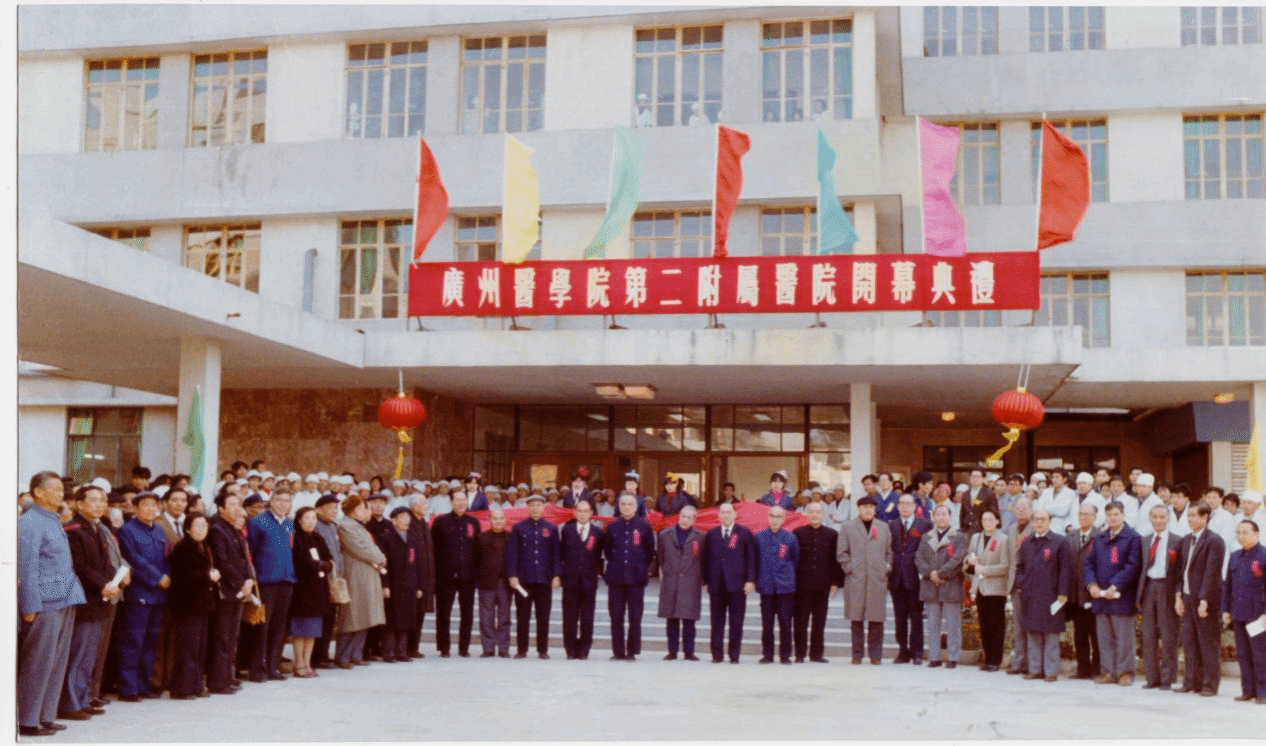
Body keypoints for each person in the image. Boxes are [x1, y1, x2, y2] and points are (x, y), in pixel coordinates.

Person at [59, 484, 120, 721]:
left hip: (99, 599)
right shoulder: (73, 530)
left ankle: (83, 699)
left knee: (89, 654)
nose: (100, 505)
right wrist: (103, 583)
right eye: (94, 500)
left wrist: (113, 579)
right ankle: (70, 703)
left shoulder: (98, 528)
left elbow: (106, 562)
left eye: (102, 500)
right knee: (78, 652)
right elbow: (80, 566)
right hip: (84, 599)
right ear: (79, 503)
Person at [115, 490, 171, 702]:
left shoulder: (159, 530)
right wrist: (157, 577)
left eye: (153, 505)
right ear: (136, 508)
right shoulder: (127, 530)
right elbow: (133, 559)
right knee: (133, 642)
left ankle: (143, 684)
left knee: (150, 642)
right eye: (145, 505)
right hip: (138, 593)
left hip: (159, 595)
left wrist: (167, 576)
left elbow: (167, 557)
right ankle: (128, 688)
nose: (149, 509)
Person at [1084, 501, 1142, 686]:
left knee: (1124, 638)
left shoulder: (1133, 538)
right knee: (1104, 637)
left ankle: (1125, 672)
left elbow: (1133, 566)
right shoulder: (1099, 538)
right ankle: (1108, 672)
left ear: (1123, 515)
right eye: (1109, 515)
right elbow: (1089, 564)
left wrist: (1115, 585)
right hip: (1100, 596)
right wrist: (1092, 585)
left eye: (1116, 514)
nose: (1112, 518)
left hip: (1121, 596)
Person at [1174, 502, 1226, 696]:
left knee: (1208, 643)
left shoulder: (1214, 541)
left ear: (1205, 517)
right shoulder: (1186, 540)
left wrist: (1204, 600)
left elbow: (1212, 573)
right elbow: (1180, 570)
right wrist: (1178, 595)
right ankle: (1191, 682)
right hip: (1188, 597)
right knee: (1189, 642)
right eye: (1188, 516)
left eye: (1194, 516)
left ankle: (1210, 684)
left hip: (1206, 599)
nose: (1190, 519)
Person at [1015, 509, 1071, 682]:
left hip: (1051, 594)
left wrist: (1063, 592)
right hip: (1030, 594)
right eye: (1036, 519)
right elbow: (1020, 566)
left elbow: (1065, 569)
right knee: (1033, 632)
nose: (1039, 522)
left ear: (1050, 521)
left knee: (1051, 633)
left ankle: (1050, 671)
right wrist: (1021, 583)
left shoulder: (1059, 541)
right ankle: (1035, 669)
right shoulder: (1027, 542)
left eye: (1043, 519)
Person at [167, 513, 219, 699]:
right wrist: (207, 576)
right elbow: (182, 576)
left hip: (202, 603)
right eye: (197, 526)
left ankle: (196, 685)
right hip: (187, 604)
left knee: (199, 647)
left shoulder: (204, 546)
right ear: (187, 529)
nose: (202, 529)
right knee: (188, 647)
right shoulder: (183, 548)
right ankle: (182, 688)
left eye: (204, 526)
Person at [246, 487, 295, 682]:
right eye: (280, 500)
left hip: (287, 580)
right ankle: (258, 669)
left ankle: (273, 667)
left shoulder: (289, 524)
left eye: (287, 501)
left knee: (278, 627)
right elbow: (251, 552)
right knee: (263, 627)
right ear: (271, 502)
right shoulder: (258, 522)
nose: (283, 504)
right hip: (266, 581)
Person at [837, 494, 892, 665]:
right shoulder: (848, 527)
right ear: (858, 509)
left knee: (876, 618)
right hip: (856, 578)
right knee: (856, 618)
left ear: (875, 510)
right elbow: (841, 553)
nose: (868, 510)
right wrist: (849, 567)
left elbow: (889, 552)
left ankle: (876, 655)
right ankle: (857, 654)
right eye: (864, 507)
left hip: (877, 578)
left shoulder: (883, 527)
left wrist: (886, 567)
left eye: (871, 507)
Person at [206, 492, 252, 694]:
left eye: (238, 504)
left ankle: (227, 676)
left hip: (238, 590)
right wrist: (241, 582)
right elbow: (222, 562)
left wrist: (249, 579)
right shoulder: (217, 529)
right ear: (221, 509)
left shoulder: (234, 529)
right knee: (222, 637)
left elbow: (244, 559)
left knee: (232, 636)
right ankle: (218, 681)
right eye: (231, 504)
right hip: (226, 590)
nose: (236, 508)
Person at [507, 492, 561, 659]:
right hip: (524, 580)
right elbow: (513, 553)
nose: (535, 508)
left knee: (543, 617)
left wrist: (556, 575)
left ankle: (542, 650)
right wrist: (512, 575)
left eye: (538, 505)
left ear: (543, 507)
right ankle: (521, 649)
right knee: (522, 616)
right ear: (527, 508)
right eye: (532, 505)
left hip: (544, 579)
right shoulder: (519, 528)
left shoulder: (551, 528)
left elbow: (556, 554)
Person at [335, 495, 387, 668]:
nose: (368, 512)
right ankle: (343, 656)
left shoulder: (359, 526)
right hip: (356, 576)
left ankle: (355, 654)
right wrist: (380, 558)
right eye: (366, 508)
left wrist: (379, 557)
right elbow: (361, 549)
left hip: (366, 575)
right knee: (352, 616)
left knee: (364, 615)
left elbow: (371, 547)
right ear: (356, 510)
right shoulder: (346, 526)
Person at [603, 492, 655, 661]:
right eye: (623, 504)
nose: (626, 507)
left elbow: (649, 552)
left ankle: (632, 651)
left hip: (636, 578)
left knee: (635, 616)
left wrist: (640, 567)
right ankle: (618, 651)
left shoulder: (644, 526)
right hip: (616, 578)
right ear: (619, 506)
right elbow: (608, 550)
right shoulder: (612, 527)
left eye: (630, 504)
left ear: (636, 506)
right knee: (616, 615)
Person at [703, 502, 756, 664]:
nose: (726, 515)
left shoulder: (744, 533)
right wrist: (706, 581)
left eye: (729, 512)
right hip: (716, 585)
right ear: (718, 515)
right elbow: (705, 559)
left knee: (736, 622)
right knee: (716, 622)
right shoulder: (711, 534)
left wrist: (750, 580)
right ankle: (717, 655)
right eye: (723, 512)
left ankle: (734, 655)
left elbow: (751, 558)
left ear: (735, 514)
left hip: (737, 585)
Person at [916, 504, 967, 668]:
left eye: (944, 514)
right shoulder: (926, 537)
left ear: (950, 517)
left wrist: (941, 574)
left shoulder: (959, 537)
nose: (941, 517)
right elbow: (919, 558)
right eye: (938, 514)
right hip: (930, 585)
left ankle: (953, 657)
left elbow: (958, 560)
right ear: (934, 517)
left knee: (953, 624)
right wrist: (930, 573)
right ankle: (934, 657)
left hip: (950, 585)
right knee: (932, 624)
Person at [431, 491, 480, 658]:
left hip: (468, 575)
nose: (461, 503)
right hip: (445, 576)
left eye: (464, 500)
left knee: (467, 613)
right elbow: (434, 548)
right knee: (444, 613)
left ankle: (464, 648)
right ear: (451, 502)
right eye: (458, 500)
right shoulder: (440, 521)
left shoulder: (473, 522)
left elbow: (476, 549)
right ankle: (444, 647)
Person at [1138, 504, 1182, 690]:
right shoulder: (1145, 540)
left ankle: (1167, 678)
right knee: (1148, 635)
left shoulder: (1177, 541)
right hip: (1149, 587)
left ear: (1168, 518)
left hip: (1167, 588)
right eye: (1155, 517)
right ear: (1150, 519)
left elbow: (1179, 571)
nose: (1158, 521)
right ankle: (1152, 677)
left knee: (1168, 634)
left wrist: (1178, 593)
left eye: (1162, 517)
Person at [793, 502, 843, 664]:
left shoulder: (832, 534)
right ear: (807, 514)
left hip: (823, 585)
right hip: (801, 586)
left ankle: (816, 654)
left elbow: (835, 560)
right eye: (811, 512)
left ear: (823, 515)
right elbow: (793, 559)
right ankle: (800, 654)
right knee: (800, 621)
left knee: (819, 622)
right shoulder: (798, 533)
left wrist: (835, 582)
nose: (814, 515)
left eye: (818, 512)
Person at [1223, 520, 1266, 704]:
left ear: (1256, 534)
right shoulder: (1235, 556)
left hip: (1258, 614)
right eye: (1238, 533)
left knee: (1260, 654)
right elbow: (1228, 586)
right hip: (1239, 612)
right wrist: (1226, 610)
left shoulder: (1263, 555)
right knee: (1243, 654)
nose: (1241, 536)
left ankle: (1263, 691)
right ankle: (1247, 690)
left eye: (1245, 532)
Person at [658, 504, 705, 661]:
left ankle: (689, 651)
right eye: (683, 516)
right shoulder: (665, 535)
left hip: (690, 582)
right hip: (671, 581)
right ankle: (672, 651)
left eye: (689, 517)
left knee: (689, 619)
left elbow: (703, 560)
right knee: (671, 618)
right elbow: (661, 557)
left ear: (694, 520)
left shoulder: (701, 537)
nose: (685, 520)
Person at [888, 491, 931, 665]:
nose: (905, 507)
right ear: (898, 507)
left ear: (914, 506)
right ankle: (902, 651)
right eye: (902, 504)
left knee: (916, 616)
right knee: (900, 617)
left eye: (908, 504)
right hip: (896, 577)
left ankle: (917, 652)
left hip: (915, 576)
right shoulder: (891, 525)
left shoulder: (925, 525)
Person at [289, 506, 332, 676]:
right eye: (307, 518)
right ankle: (298, 663)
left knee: (313, 630)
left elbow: (328, 557)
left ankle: (307, 663)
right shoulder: (296, 537)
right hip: (302, 588)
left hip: (318, 588)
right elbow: (299, 560)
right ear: (299, 520)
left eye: (313, 518)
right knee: (300, 630)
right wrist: (318, 564)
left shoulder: (318, 538)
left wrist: (326, 564)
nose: (311, 522)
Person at [560, 498, 604, 660]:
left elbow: (599, 556)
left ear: (591, 513)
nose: (583, 514)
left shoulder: (598, 533)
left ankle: (585, 648)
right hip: (570, 580)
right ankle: (570, 649)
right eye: (580, 511)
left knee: (587, 617)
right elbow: (561, 553)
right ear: (575, 512)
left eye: (586, 511)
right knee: (569, 616)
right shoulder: (567, 530)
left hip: (589, 580)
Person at [965, 508, 1009, 672]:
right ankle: (987, 658)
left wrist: (984, 570)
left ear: (997, 521)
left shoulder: (1003, 539)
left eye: (991, 519)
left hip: (996, 588)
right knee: (984, 625)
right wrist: (969, 560)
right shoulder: (976, 537)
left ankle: (995, 660)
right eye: (984, 519)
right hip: (980, 587)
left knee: (996, 625)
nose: (987, 523)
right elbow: (968, 556)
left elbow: (1004, 566)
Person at [754, 506, 799, 664]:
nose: (775, 519)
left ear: (784, 519)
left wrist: (787, 576)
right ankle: (767, 654)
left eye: (778, 516)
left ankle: (785, 655)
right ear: (768, 517)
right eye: (772, 516)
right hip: (766, 587)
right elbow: (755, 561)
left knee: (785, 622)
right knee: (767, 623)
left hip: (785, 587)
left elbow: (795, 560)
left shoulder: (790, 538)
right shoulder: (759, 537)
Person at [379, 506, 422, 663]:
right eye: (402, 517)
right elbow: (382, 564)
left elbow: (417, 564)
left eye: (408, 517)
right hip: (393, 584)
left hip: (409, 584)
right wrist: (385, 585)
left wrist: (418, 586)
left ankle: (402, 652)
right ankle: (389, 652)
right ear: (394, 520)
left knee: (406, 618)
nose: (406, 520)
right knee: (391, 619)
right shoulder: (386, 537)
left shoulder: (412, 539)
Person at [1066, 503, 1102, 679]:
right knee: (1079, 634)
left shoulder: (1101, 536)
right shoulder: (1070, 536)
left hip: (1094, 593)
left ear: (1095, 517)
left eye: (1087, 514)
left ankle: (1097, 668)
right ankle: (1082, 668)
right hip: (1075, 594)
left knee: (1096, 633)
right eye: (1081, 514)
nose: (1083, 517)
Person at [312, 494, 344, 669]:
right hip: (322, 579)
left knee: (330, 618)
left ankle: (323, 653)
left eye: (335, 508)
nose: (334, 511)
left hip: (335, 579)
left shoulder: (333, 526)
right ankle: (316, 656)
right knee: (322, 617)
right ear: (319, 509)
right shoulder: (316, 526)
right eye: (330, 508)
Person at [1006, 496, 1036, 675]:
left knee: (1031, 625)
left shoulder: (1036, 527)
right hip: (1014, 582)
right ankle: (1018, 661)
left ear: (1031, 510)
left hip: (1032, 583)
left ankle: (1032, 664)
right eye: (1018, 508)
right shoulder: (1011, 529)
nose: (1021, 511)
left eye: (1024, 508)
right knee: (1018, 626)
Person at [476, 508, 513, 658]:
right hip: (486, 582)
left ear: (505, 520)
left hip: (505, 582)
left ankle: (504, 648)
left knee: (505, 616)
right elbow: (475, 560)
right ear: (489, 520)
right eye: (495, 518)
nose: (498, 521)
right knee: (486, 616)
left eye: (501, 518)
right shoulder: (481, 538)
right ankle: (488, 648)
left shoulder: (511, 537)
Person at [405, 495, 436, 660]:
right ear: (414, 506)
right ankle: (407, 647)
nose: (425, 506)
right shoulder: (409, 523)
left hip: (426, 576)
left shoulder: (424, 523)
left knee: (420, 613)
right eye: (423, 503)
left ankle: (413, 647)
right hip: (414, 575)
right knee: (412, 613)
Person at [1036, 468, 1077, 535]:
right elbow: (1039, 508)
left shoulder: (1070, 493)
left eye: (1057, 477)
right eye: (1053, 477)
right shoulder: (1046, 491)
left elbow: (1062, 511)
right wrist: (1054, 509)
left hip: (1060, 529)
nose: (1054, 480)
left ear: (1064, 479)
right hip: (1044, 527)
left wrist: (1046, 509)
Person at [961, 469, 999, 536]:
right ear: (970, 478)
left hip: (982, 530)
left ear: (983, 478)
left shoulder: (989, 494)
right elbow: (962, 514)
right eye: (973, 476)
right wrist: (962, 528)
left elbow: (994, 513)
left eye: (978, 476)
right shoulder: (965, 494)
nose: (975, 479)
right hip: (967, 531)